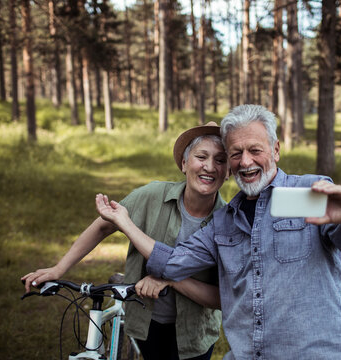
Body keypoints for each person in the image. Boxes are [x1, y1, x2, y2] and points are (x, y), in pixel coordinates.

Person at [94, 104, 341, 360]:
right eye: (236, 153)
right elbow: (172, 262)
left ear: (276, 150)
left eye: (255, 150)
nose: (246, 161)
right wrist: (126, 224)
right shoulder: (224, 221)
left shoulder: (310, 192)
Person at [22, 122, 229, 360]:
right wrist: (59, 268)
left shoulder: (229, 222)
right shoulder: (152, 196)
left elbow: (221, 297)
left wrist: (169, 280)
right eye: (201, 156)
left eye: (221, 160)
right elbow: (103, 226)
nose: (210, 166)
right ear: (184, 163)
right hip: (145, 321)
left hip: (195, 334)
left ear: (228, 171)